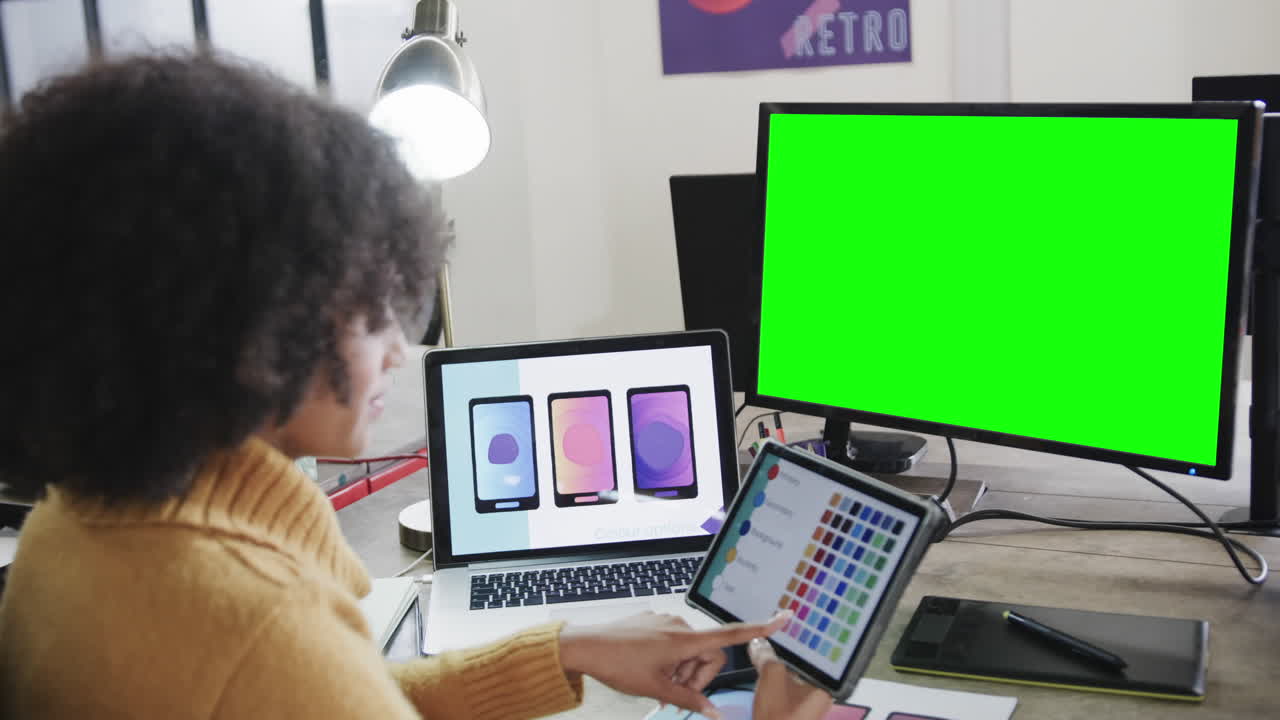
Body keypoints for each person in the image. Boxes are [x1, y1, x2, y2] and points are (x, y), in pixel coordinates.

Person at [0, 54, 833, 720]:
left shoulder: (70, 525)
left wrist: (568, 649)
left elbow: (345, 697)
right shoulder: (252, 626)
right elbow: (299, 680)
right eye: (369, 308)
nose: (401, 349)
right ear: (242, 316)